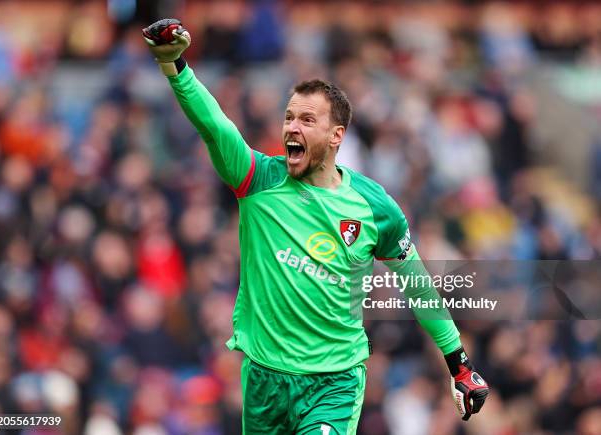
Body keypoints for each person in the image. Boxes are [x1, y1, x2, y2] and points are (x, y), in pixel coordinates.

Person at [142, 19, 489, 434]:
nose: (292, 127)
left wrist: (459, 365)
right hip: (264, 379)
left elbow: (418, 285)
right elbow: (216, 126)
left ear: (336, 135)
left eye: (307, 120)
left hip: (334, 382)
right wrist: (175, 66)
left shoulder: (375, 207)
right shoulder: (258, 179)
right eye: (289, 117)